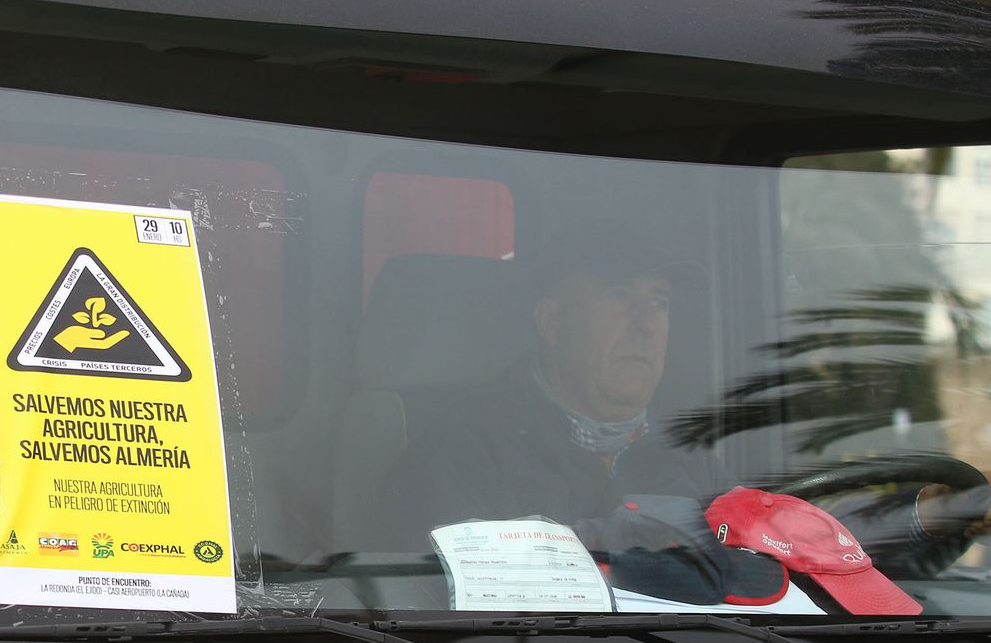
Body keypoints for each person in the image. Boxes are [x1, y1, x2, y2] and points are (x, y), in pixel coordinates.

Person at [370, 218, 976, 592]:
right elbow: (466, 596)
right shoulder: (458, 449)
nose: (646, 321)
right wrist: (675, 536)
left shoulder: (686, 456)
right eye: (619, 296)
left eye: (658, 301)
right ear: (552, 320)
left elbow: (788, 560)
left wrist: (928, 518)